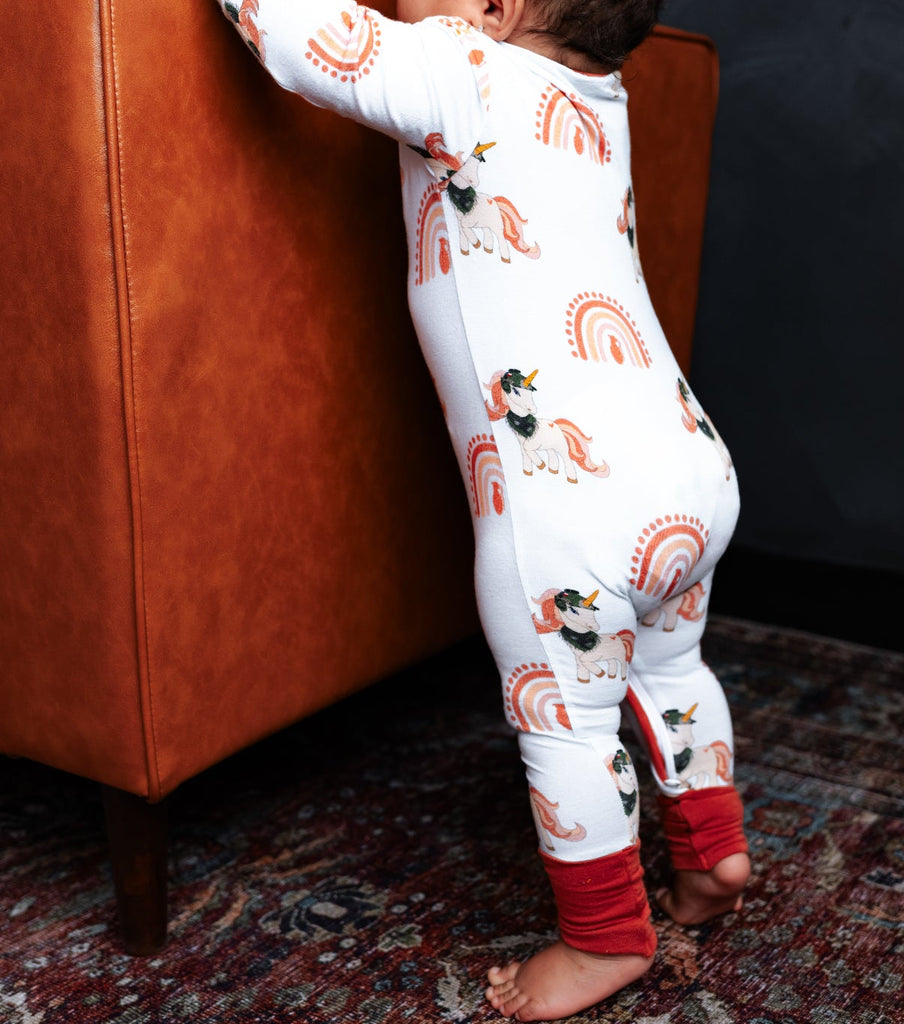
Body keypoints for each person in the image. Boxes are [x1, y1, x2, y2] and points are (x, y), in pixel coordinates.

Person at [216, 0, 749, 1018]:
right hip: (688, 463)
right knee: (671, 667)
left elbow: (295, 38)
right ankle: (712, 852)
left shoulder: (461, 70)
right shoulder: (600, 97)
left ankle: (602, 942)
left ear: (493, 10)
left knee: (566, 722)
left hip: (571, 503)